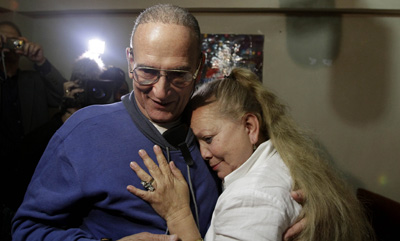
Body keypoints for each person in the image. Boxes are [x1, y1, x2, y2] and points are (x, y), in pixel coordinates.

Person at [11, 5, 303, 241]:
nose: (161, 92)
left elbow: (269, 179)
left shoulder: (214, 126)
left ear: (199, 66)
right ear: (129, 61)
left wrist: (309, 210)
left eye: (179, 75)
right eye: (147, 72)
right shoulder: (84, 131)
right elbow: (27, 229)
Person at [127, 68, 376, 241]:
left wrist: (177, 213)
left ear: (250, 127)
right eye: (198, 142)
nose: (203, 154)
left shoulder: (252, 197)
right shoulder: (279, 159)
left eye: (209, 139)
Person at [0, 21, 66, 241]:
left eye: (13, 41)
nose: (8, 46)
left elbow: (62, 97)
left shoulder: (33, 79)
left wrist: (40, 61)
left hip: (33, 171)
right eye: (3, 40)